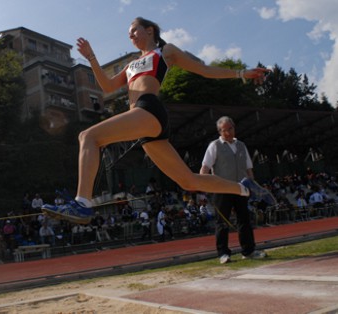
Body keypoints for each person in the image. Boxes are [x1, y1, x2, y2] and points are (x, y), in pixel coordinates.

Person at [42, 17, 269, 223]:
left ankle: (83, 202)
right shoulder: (131, 64)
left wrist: (241, 73)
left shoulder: (165, 51)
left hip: (148, 109)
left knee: (88, 136)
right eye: (128, 34)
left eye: (134, 31)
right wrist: (91, 57)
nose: (130, 36)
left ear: (149, 30)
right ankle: (243, 188)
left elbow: (204, 70)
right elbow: (108, 87)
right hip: (142, 123)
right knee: (188, 181)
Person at [200, 116, 268, 264]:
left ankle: (248, 251)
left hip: (241, 189)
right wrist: (203, 186)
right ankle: (223, 254)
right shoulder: (214, 146)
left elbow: (249, 169)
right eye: (224, 130)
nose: (228, 133)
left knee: (244, 220)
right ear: (220, 131)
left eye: (230, 129)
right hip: (221, 190)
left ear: (234, 128)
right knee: (222, 222)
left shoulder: (242, 145)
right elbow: (205, 168)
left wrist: (253, 187)